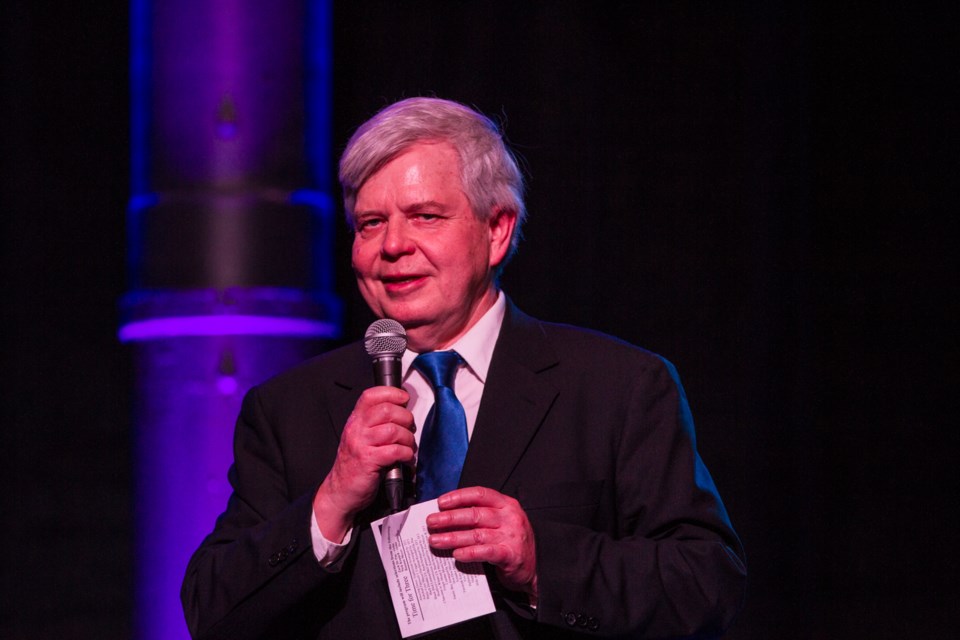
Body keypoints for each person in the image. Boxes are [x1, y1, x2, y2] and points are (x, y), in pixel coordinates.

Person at [181, 97, 747, 639]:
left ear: (496, 230)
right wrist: (329, 504)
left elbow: (706, 584)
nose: (393, 245)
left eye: (425, 216)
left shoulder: (616, 388)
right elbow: (211, 610)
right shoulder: (289, 409)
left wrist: (538, 559)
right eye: (370, 223)